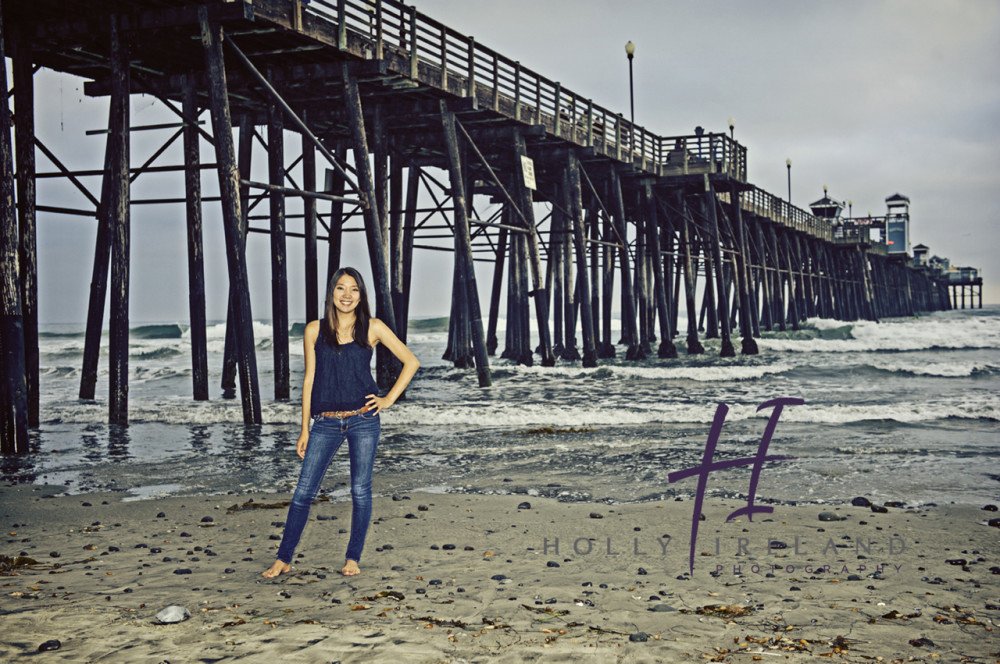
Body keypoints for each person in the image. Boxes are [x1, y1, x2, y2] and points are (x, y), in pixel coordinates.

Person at [263, 267, 419, 578]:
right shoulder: (313, 330)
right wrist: (304, 428)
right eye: (341, 289)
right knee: (304, 492)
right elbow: (308, 380)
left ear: (361, 296)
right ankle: (283, 558)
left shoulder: (372, 328)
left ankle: (352, 558)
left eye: (354, 290)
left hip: (364, 421)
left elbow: (411, 361)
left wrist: (387, 399)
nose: (347, 295)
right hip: (325, 422)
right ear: (331, 293)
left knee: (360, 491)